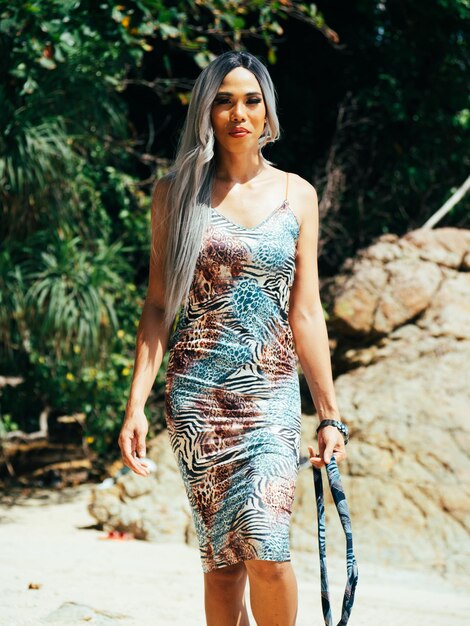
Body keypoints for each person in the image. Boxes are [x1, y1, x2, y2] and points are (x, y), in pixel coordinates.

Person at [118, 50, 348, 626]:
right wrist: (136, 405)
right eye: (223, 100)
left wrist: (328, 414)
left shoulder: (298, 194)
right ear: (205, 110)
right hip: (198, 398)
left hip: (269, 396)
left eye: (250, 99)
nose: (237, 113)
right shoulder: (175, 194)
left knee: (267, 551)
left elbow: (308, 312)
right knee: (222, 564)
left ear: (267, 110)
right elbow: (157, 306)